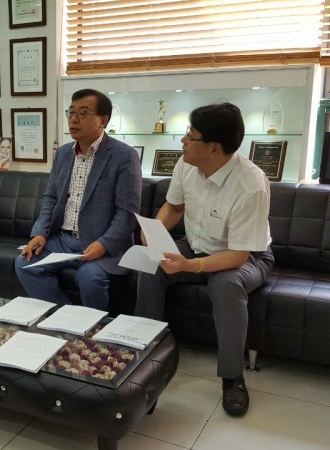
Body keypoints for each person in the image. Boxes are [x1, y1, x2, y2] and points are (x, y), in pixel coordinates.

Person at [134, 102, 274, 416]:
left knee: (226, 285)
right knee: (150, 265)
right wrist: (153, 231)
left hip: (246, 255)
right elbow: (175, 206)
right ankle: (146, 358)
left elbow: (237, 255)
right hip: (196, 245)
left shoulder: (251, 185)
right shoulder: (187, 164)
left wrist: (188, 266)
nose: (183, 141)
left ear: (214, 147)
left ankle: (232, 377)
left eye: (191, 135)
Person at [14, 89, 142, 311]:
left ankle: (93, 327)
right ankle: (65, 317)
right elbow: (51, 198)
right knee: (25, 263)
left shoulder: (124, 155)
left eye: (82, 113)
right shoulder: (63, 154)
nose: (73, 119)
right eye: (71, 112)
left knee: (89, 277)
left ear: (103, 120)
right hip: (64, 240)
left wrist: (104, 244)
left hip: (101, 242)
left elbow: (127, 212)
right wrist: (40, 233)